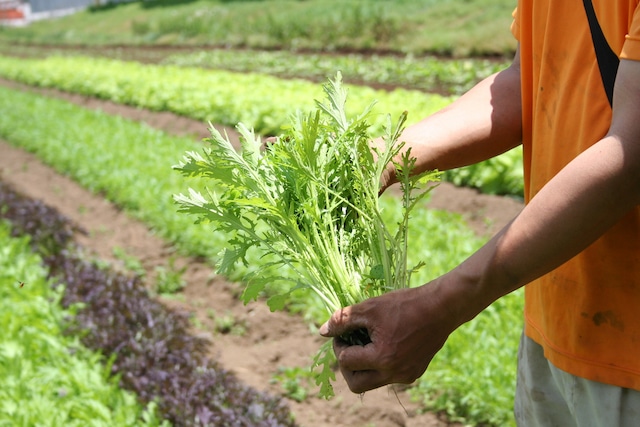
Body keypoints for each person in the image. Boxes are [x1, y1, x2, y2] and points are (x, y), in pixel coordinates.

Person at [319, 1, 640, 425]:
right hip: (555, 322)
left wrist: (442, 305)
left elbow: (631, 151)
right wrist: (378, 159)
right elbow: (528, 78)